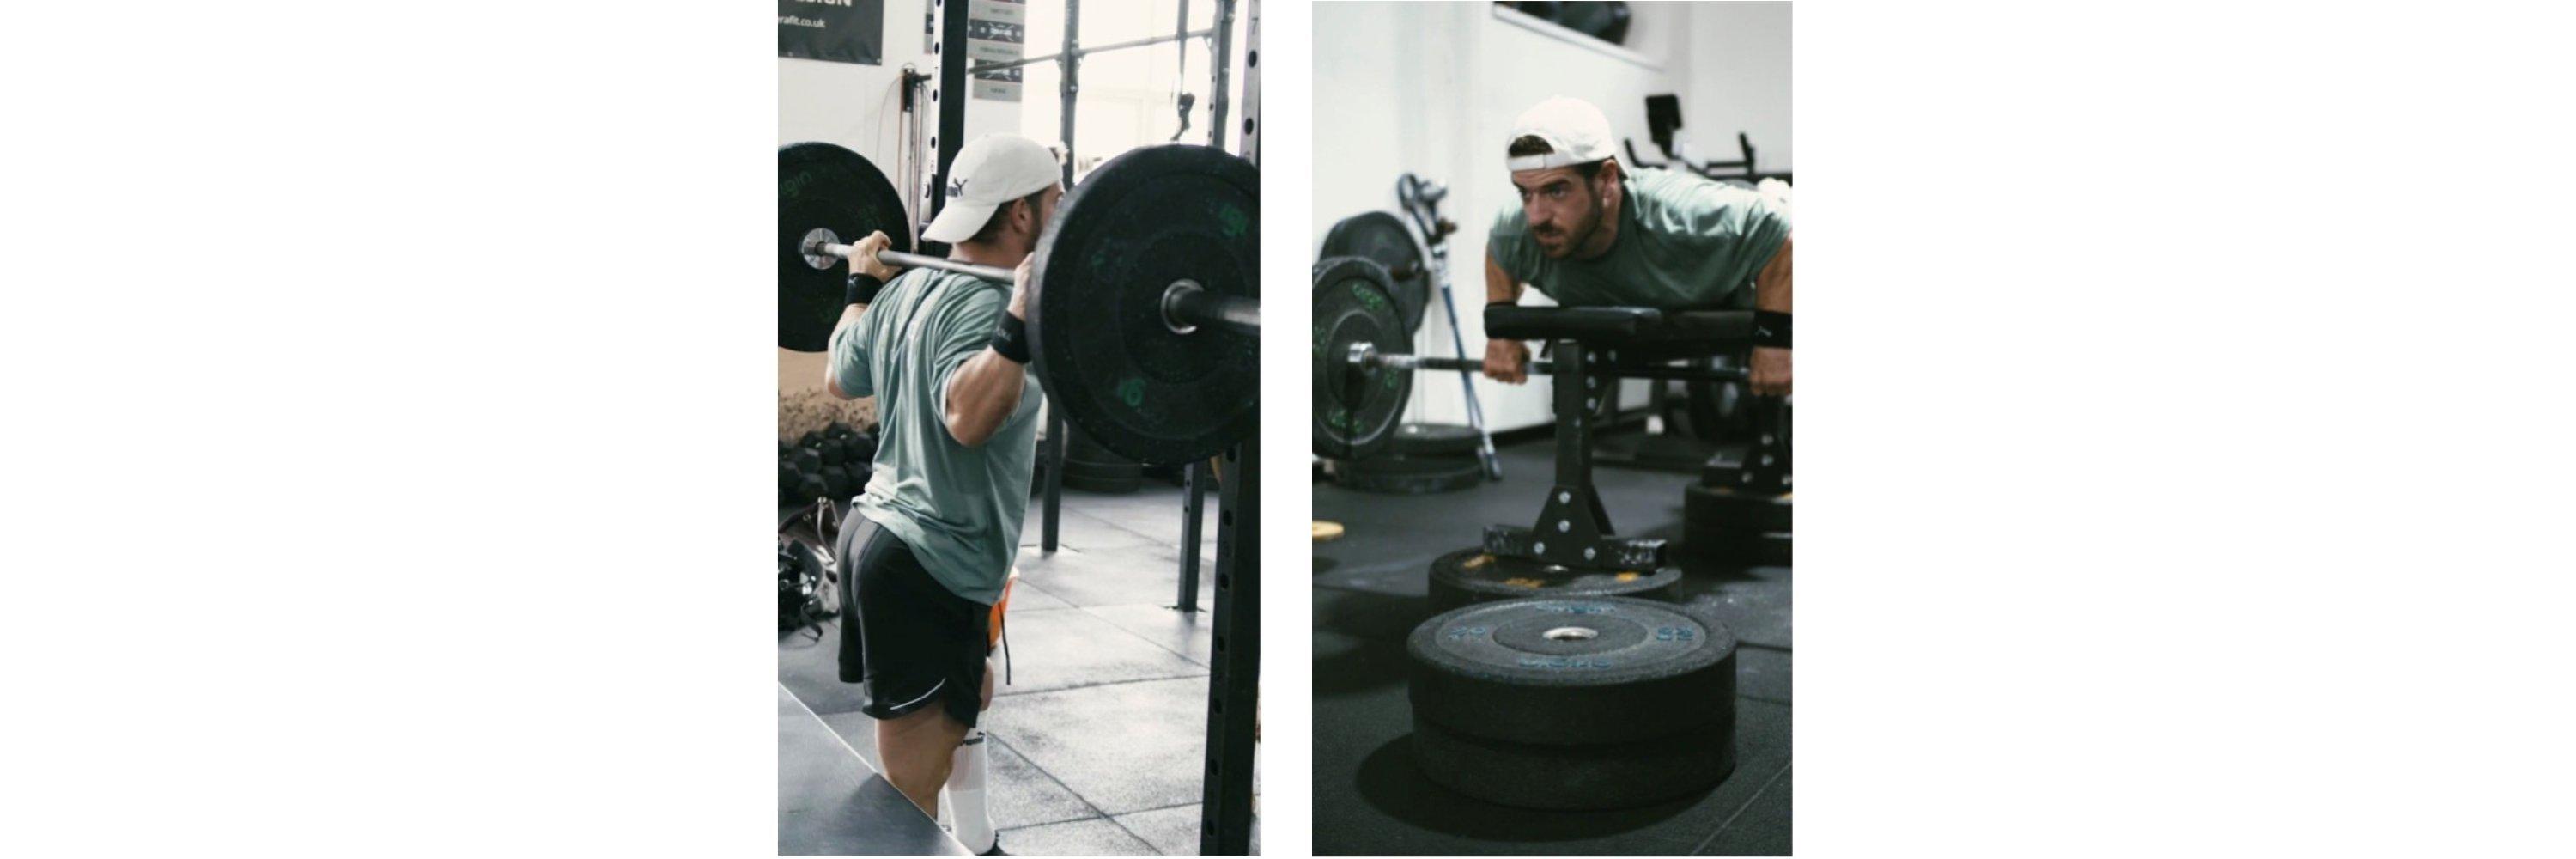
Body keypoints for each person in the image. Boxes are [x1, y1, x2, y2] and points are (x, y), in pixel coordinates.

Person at [822, 133, 1061, 856]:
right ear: (1020, 215)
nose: (1061, 213)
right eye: (1054, 202)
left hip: (880, 535)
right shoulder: (990, 304)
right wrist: (1017, 324)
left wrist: (860, 287)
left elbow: (840, 373)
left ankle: (979, 841)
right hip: (927, 561)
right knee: (905, 794)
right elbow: (966, 416)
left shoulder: (907, 287)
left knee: (969, 691)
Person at [1480, 96, 1794, 395]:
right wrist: (1503, 333)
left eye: (1557, 191)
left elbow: (1781, 231)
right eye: (1525, 193)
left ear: (1607, 179)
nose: (1536, 216)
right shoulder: (1517, 230)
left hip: (1750, 277)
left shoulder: (1681, 215)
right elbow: (1500, 250)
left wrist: (1775, 341)